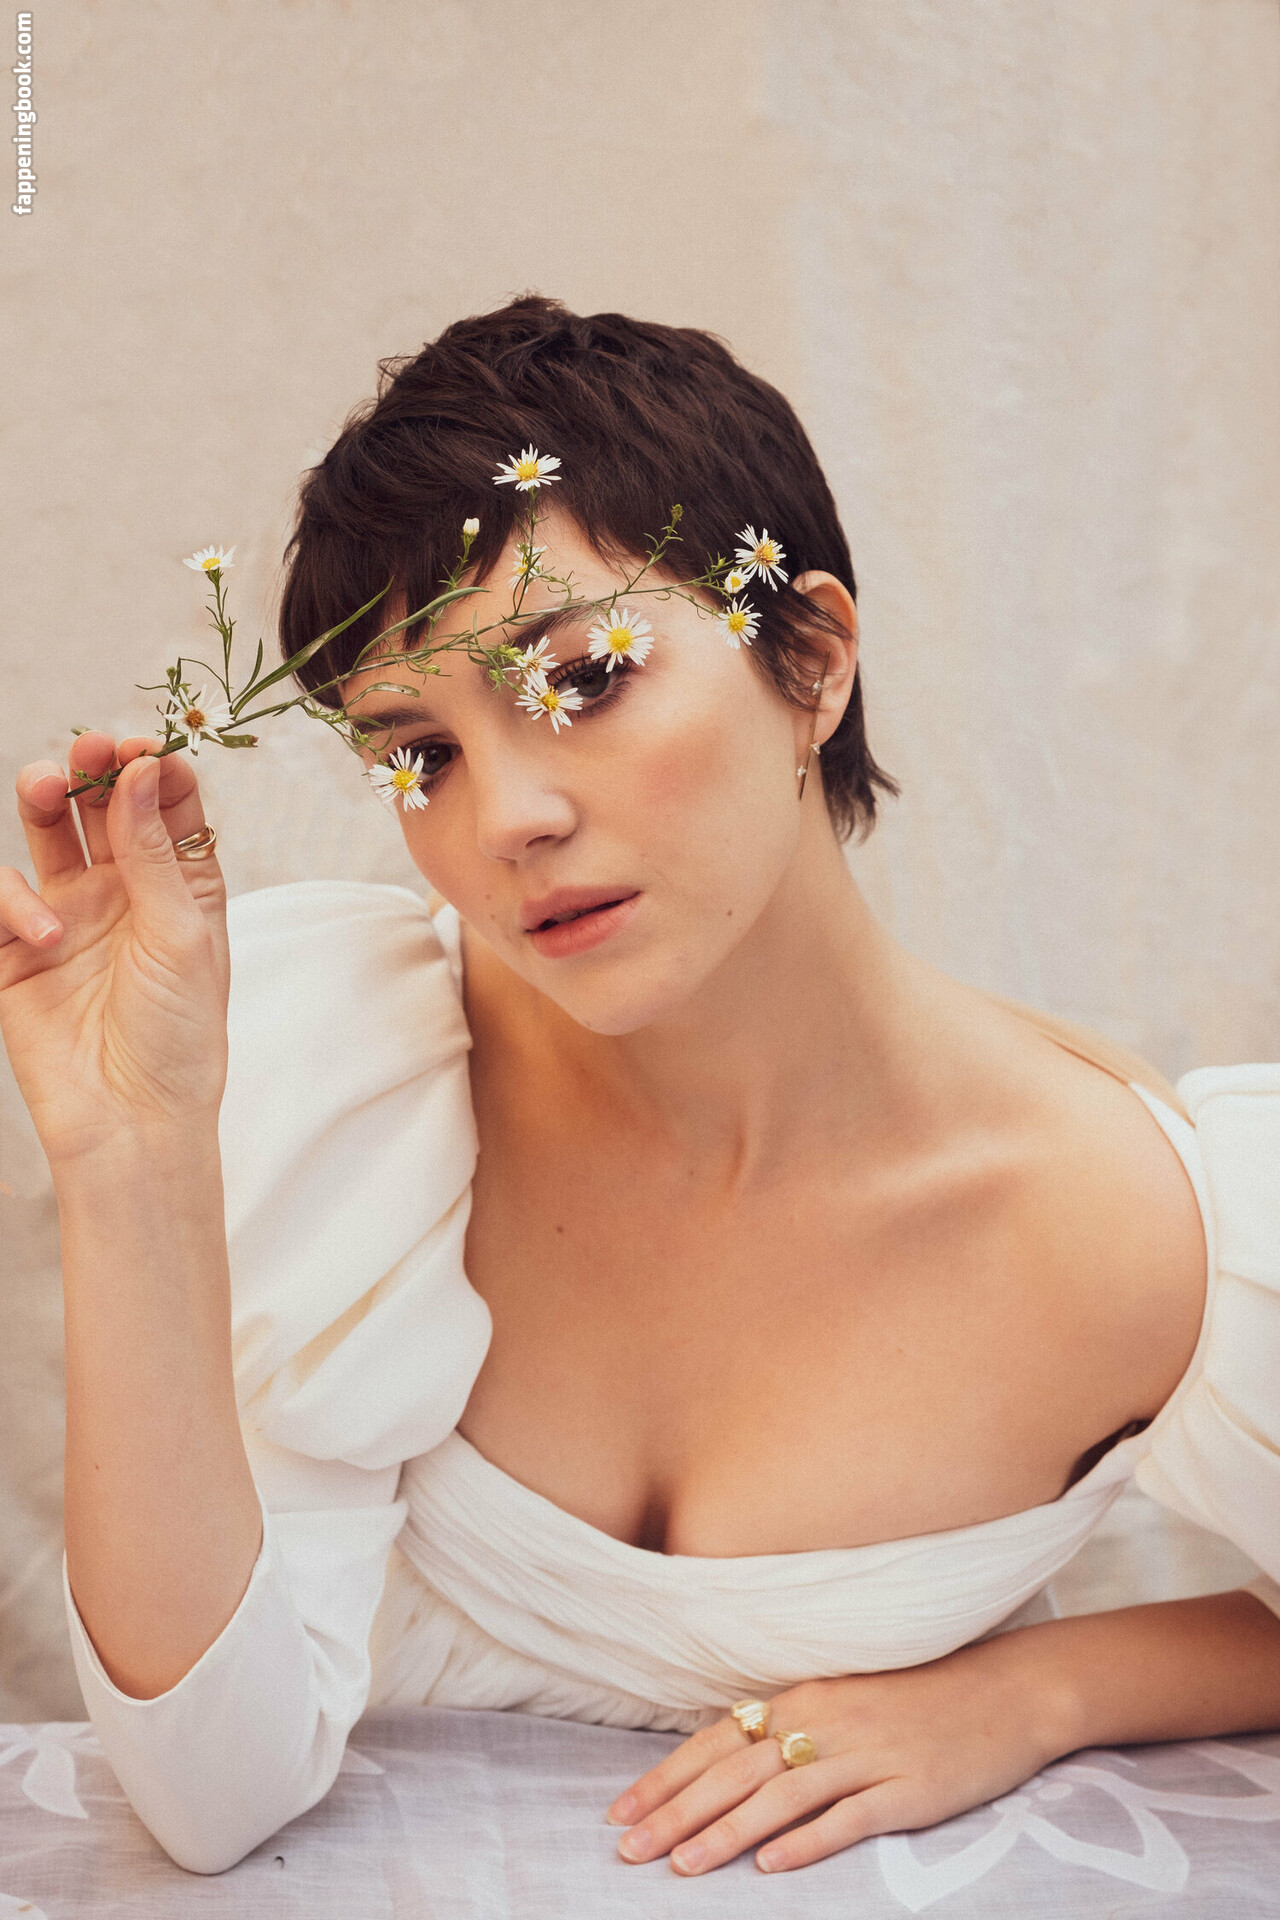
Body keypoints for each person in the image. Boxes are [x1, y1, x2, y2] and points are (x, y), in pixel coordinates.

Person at [2, 296, 1278, 1880]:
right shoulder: (351, 1093)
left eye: (586, 678)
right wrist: (130, 1153)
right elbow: (214, 1794)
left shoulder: (1128, 1220)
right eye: (420, 753)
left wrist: (1038, 1693)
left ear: (809, 656)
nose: (508, 821)